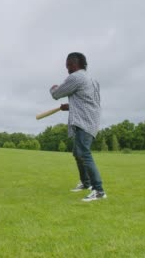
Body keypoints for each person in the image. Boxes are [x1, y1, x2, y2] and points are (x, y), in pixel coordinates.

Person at [50, 52, 106, 202]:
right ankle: (86, 183)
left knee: (84, 154)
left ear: (74, 64)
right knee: (78, 152)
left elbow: (57, 94)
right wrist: (70, 106)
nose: (66, 68)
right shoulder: (91, 80)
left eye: (68, 65)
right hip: (91, 119)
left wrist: (53, 88)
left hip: (84, 121)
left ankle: (98, 190)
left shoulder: (76, 77)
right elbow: (87, 101)